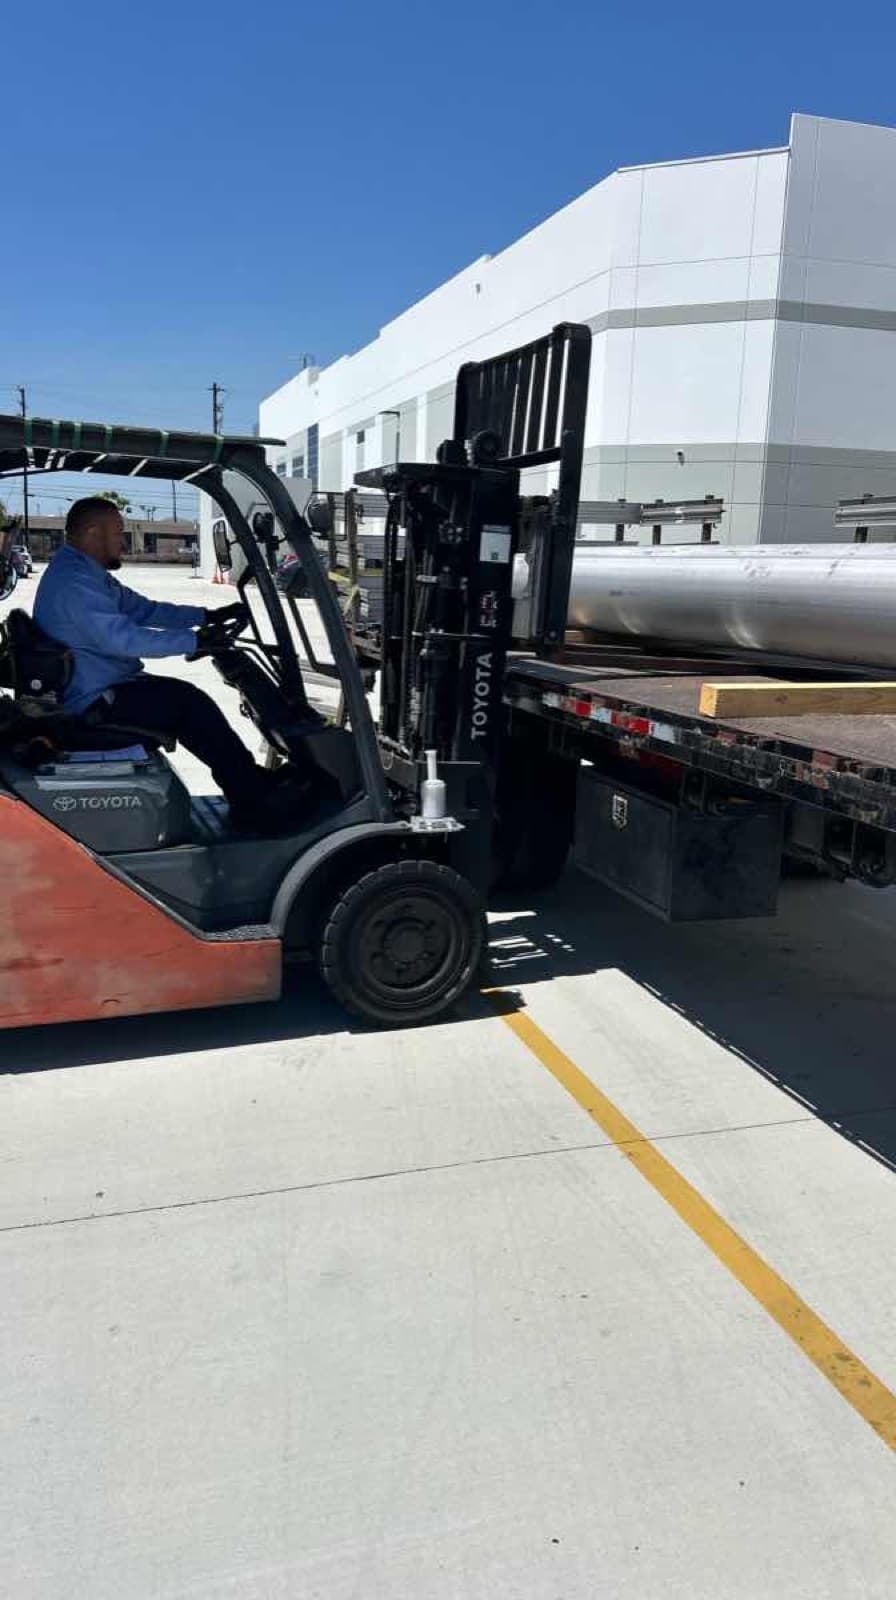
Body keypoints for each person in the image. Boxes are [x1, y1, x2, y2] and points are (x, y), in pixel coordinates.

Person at [34, 495, 294, 825]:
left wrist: (205, 616)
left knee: (187, 700)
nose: (123, 542)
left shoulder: (85, 574)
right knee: (188, 703)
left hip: (107, 686)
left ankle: (248, 785)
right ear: (92, 533)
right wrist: (193, 640)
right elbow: (124, 638)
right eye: (118, 534)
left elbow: (144, 610)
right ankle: (254, 797)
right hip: (93, 702)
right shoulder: (74, 584)